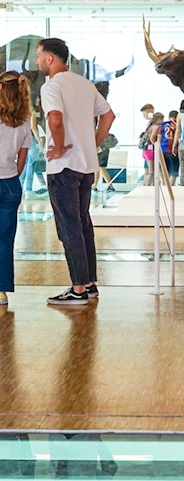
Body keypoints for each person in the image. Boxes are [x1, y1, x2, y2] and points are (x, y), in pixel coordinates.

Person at [36, 37, 115, 305]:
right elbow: (108, 116)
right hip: (84, 168)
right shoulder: (84, 84)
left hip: (63, 167)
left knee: (69, 227)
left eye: (39, 56)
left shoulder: (51, 87)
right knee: (83, 224)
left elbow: (55, 119)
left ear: (50, 58)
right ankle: (90, 284)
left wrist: (58, 147)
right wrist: (92, 144)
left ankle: (78, 288)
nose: (37, 61)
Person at [0, 71, 32, 305]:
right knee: (5, 239)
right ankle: (1, 291)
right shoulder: (23, 122)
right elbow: (22, 161)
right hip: (11, 183)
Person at [160, 110, 179, 185]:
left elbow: (159, 136)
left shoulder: (163, 124)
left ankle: (165, 186)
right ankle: (171, 187)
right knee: (174, 172)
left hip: (163, 149)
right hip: (173, 150)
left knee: (165, 170)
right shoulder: (177, 125)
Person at [139, 103, 155, 184]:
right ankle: (147, 187)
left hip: (148, 150)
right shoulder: (152, 124)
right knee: (150, 171)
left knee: (148, 171)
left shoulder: (152, 124)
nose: (144, 116)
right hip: (149, 149)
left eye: (144, 114)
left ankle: (146, 187)